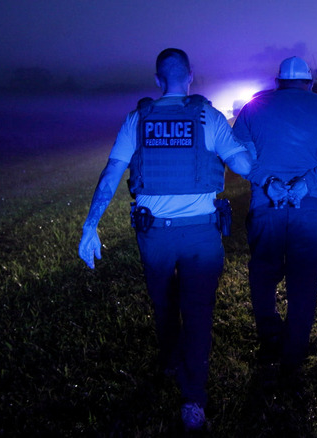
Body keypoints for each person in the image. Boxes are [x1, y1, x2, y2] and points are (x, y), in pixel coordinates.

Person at [78, 48, 252, 432]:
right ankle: (193, 401)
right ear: (191, 76)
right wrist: (249, 150)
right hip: (201, 236)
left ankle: (172, 361)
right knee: (198, 312)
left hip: (153, 235)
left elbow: (111, 175)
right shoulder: (208, 116)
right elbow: (242, 166)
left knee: (164, 305)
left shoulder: (138, 119)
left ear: (158, 80)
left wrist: (91, 225)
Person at [232, 56, 317, 389]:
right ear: (310, 81)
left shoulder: (253, 108)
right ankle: (294, 353)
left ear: (277, 81)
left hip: (264, 206)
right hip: (308, 208)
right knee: (304, 282)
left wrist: (267, 181)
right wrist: (307, 183)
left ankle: (269, 340)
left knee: (263, 275)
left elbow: (239, 156)